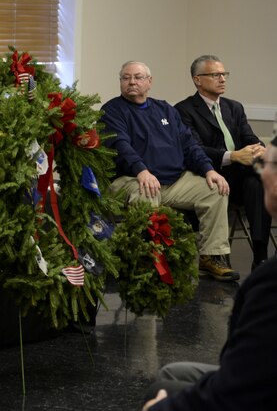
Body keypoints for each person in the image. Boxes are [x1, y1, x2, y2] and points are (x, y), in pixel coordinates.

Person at [142, 136, 277, 410]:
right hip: (145, 179)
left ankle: (212, 255)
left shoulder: (269, 286)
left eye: (267, 164)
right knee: (173, 372)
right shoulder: (180, 110)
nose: (262, 172)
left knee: (161, 387)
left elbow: (239, 389)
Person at [101, 61, 238, 281]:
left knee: (215, 190)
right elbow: (120, 145)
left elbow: (189, 144)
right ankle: (149, 262)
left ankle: (212, 256)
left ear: (149, 82)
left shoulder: (164, 109)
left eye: (137, 77)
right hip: (129, 180)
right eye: (126, 78)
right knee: (147, 190)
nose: (132, 82)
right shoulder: (112, 110)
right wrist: (141, 171)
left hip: (173, 181)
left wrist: (208, 170)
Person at [175, 55, 268, 269]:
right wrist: (232, 156)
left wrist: (258, 148)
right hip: (208, 175)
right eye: (215, 74)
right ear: (198, 79)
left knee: (259, 181)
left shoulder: (234, 107)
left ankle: (261, 256)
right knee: (257, 181)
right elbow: (194, 148)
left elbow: (249, 137)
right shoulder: (183, 110)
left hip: (240, 176)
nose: (222, 79)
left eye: (224, 74)